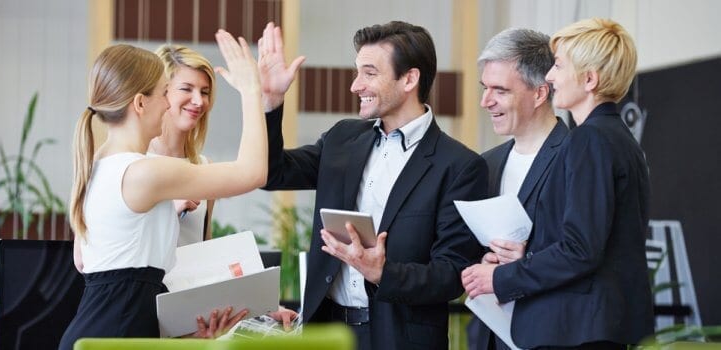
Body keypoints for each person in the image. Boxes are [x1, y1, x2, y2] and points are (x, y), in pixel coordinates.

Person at [257, 21, 487, 349]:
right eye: (357, 72)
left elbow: (451, 274)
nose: (355, 86)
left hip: (399, 338)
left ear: (409, 78)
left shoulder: (460, 166)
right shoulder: (342, 138)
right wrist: (270, 103)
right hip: (327, 331)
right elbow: (271, 174)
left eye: (369, 73)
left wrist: (383, 272)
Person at [60, 30, 273, 349]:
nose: (169, 104)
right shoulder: (144, 172)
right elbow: (253, 172)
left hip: (108, 332)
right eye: (165, 93)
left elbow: (126, 287)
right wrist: (251, 90)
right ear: (140, 103)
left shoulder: (102, 163)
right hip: (115, 339)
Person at [463, 18, 654, 349]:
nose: (550, 77)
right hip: (597, 326)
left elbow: (580, 249)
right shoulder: (617, 138)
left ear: (589, 79)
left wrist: (499, 277)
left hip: (579, 329)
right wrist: (529, 250)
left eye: (560, 67)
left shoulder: (589, 139)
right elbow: (595, 237)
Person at [462, 27, 569, 350]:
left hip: (551, 335)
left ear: (540, 93)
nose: (485, 101)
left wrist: (527, 256)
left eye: (500, 90)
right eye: (485, 88)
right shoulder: (487, 163)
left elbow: (585, 250)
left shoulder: (575, 157)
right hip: (490, 336)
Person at [148, 45, 216, 246]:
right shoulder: (132, 163)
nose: (198, 101)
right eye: (186, 89)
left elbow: (205, 245)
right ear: (161, 93)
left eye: (204, 92)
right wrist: (168, 214)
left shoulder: (205, 168)